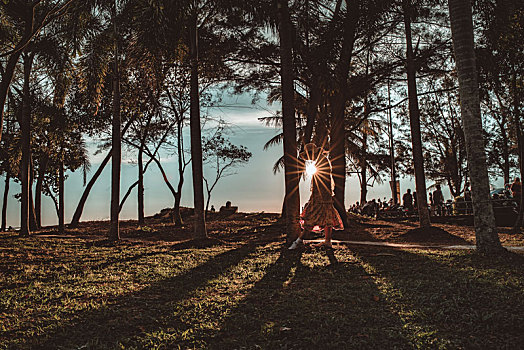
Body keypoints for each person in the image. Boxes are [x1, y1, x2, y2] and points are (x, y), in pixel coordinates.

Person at [289, 143, 343, 250]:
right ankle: (327, 241)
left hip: (321, 195)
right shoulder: (321, 161)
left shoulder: (322, 162)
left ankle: (298, 241)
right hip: (324, 195)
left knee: (311, 217)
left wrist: (316, 196)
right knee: (327, 217)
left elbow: (322, 181)